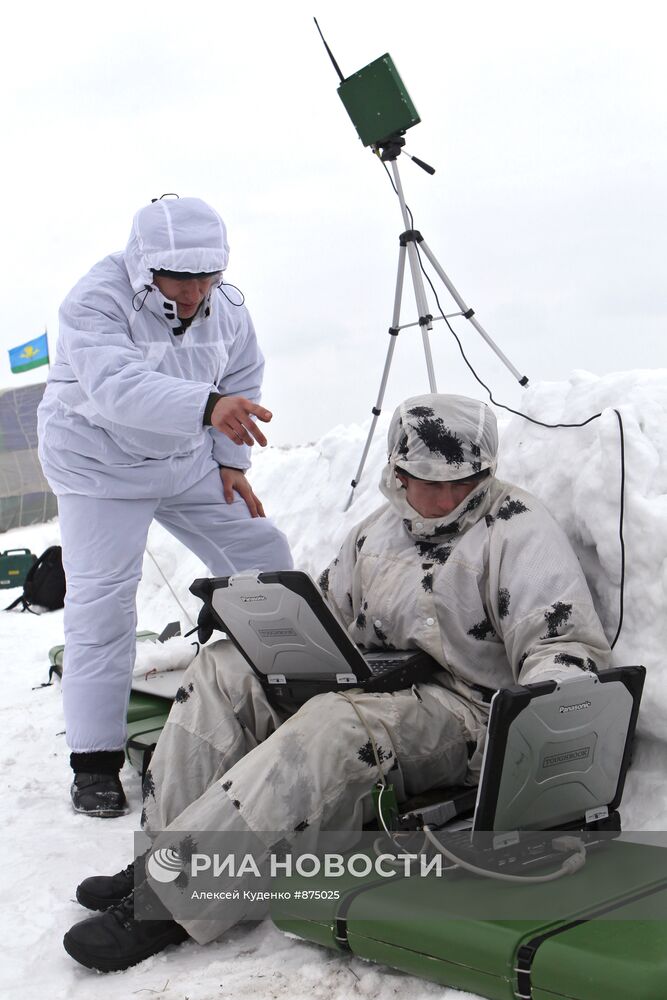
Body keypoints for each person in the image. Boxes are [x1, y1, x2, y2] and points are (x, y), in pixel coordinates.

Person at [62, 393, 611, 971]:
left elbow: (564, 646)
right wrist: (258, 622)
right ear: (397, 476)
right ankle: (164, 852)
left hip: (464, 710)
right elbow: (327, 612)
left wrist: (536, 735)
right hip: (374, 681)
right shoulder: (376, 533)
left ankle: (170, 901)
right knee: (223, 668)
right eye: (430, 483)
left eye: (466, 481)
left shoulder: (517, 530)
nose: (450, 497)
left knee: (332, 725)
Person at [37, 196, 293, 818]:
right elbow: (116, 386)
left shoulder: (225, 306)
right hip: (98, 466)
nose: (196, 289)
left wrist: (231, 462)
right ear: (144, 265)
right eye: (181, 276)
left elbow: (243, 375)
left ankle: (293, 689)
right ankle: (93, 763)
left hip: (184, 459)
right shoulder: (94, 301)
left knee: (264, 555)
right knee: (102, 602)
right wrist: (208, 409)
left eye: (209, 275)